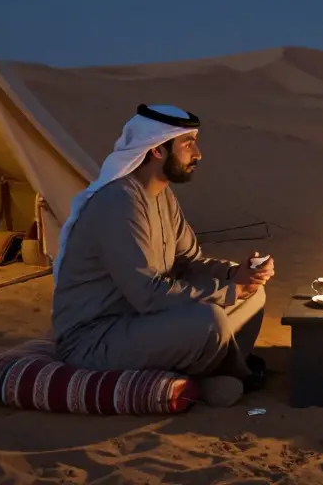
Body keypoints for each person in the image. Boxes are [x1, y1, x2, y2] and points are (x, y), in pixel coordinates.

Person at [51, 104, 274, 407]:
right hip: (96, 337)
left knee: (254, 293)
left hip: (143, 321)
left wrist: (237, 275)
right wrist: (232, 290)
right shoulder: (119, 203)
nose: (198, 154)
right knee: (208, 321)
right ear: (157, 150)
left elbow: (188, 263)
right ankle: (230, 373)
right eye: (187, 144)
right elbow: (148, 294)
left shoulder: (161, 195)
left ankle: (215, 369)